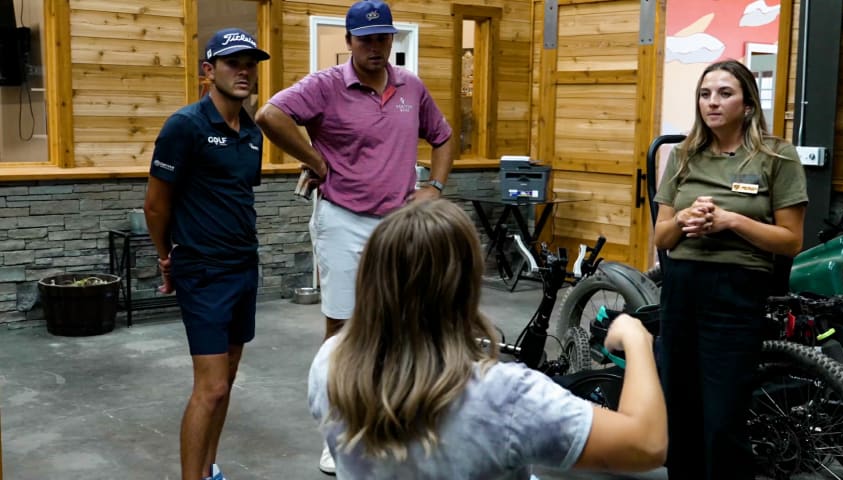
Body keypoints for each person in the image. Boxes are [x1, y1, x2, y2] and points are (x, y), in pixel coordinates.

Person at [307, 199, 666, 479]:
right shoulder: (503, 396)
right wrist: (636, 340)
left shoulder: (331, 360)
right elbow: (647, 445)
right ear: (465, 285)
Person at [254, 0, 452, 473]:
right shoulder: (325, 86)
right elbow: (269, 116)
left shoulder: (412, 87)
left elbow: (442, 136)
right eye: (366, 39)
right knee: (342, 329)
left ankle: (394, 420)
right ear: (349, 42)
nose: (376, 48)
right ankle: (339, 433)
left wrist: (435, 188)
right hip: (342, 219)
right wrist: (316, 161)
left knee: (404, 323)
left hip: (399, 224)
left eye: (383, 38)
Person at [653, 59, 808, 480]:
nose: (712, 102)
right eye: (705, 94)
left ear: (748, 104)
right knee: (680, 411)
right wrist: (685, 219)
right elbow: (661, 238)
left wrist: (731, 221)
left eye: (725, 93)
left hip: (736, 290)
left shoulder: (777, 156)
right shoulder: (684, 155)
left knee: (723, 418)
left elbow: (791, 240)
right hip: (682, 288)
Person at [143, 28, 270, 480]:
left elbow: (235, 196)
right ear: (207, 70)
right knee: (211, 387)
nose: (244, 71)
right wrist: (166, 256)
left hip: (243, 267)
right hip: (203, 270)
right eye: (233, 62)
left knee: (228, 379)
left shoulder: (252, 133)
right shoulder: (185, 126)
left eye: (250, 64)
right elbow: (156, 205)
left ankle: (209, 469)